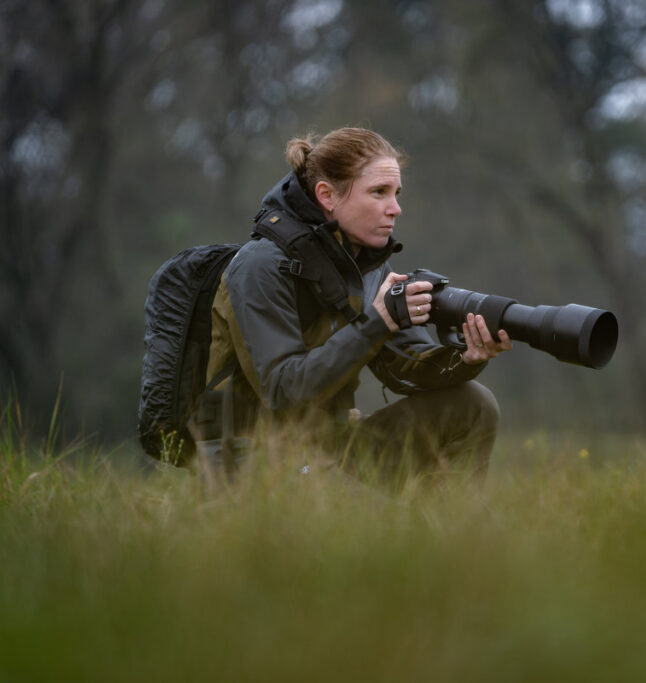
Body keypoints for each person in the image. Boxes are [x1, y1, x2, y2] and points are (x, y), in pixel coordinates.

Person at [204, 127, 511, 481]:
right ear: (327, 195)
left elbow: (405, 366)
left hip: (332, 446)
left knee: (474, 405)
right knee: (380, 528)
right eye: (379, 192)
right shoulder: (260, 266)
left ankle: (450, 528)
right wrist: (376, 321)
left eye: (396, 193)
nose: (395, 209)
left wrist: (464, 358)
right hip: (254, 457)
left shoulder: (367, 265)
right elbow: (283, 392)